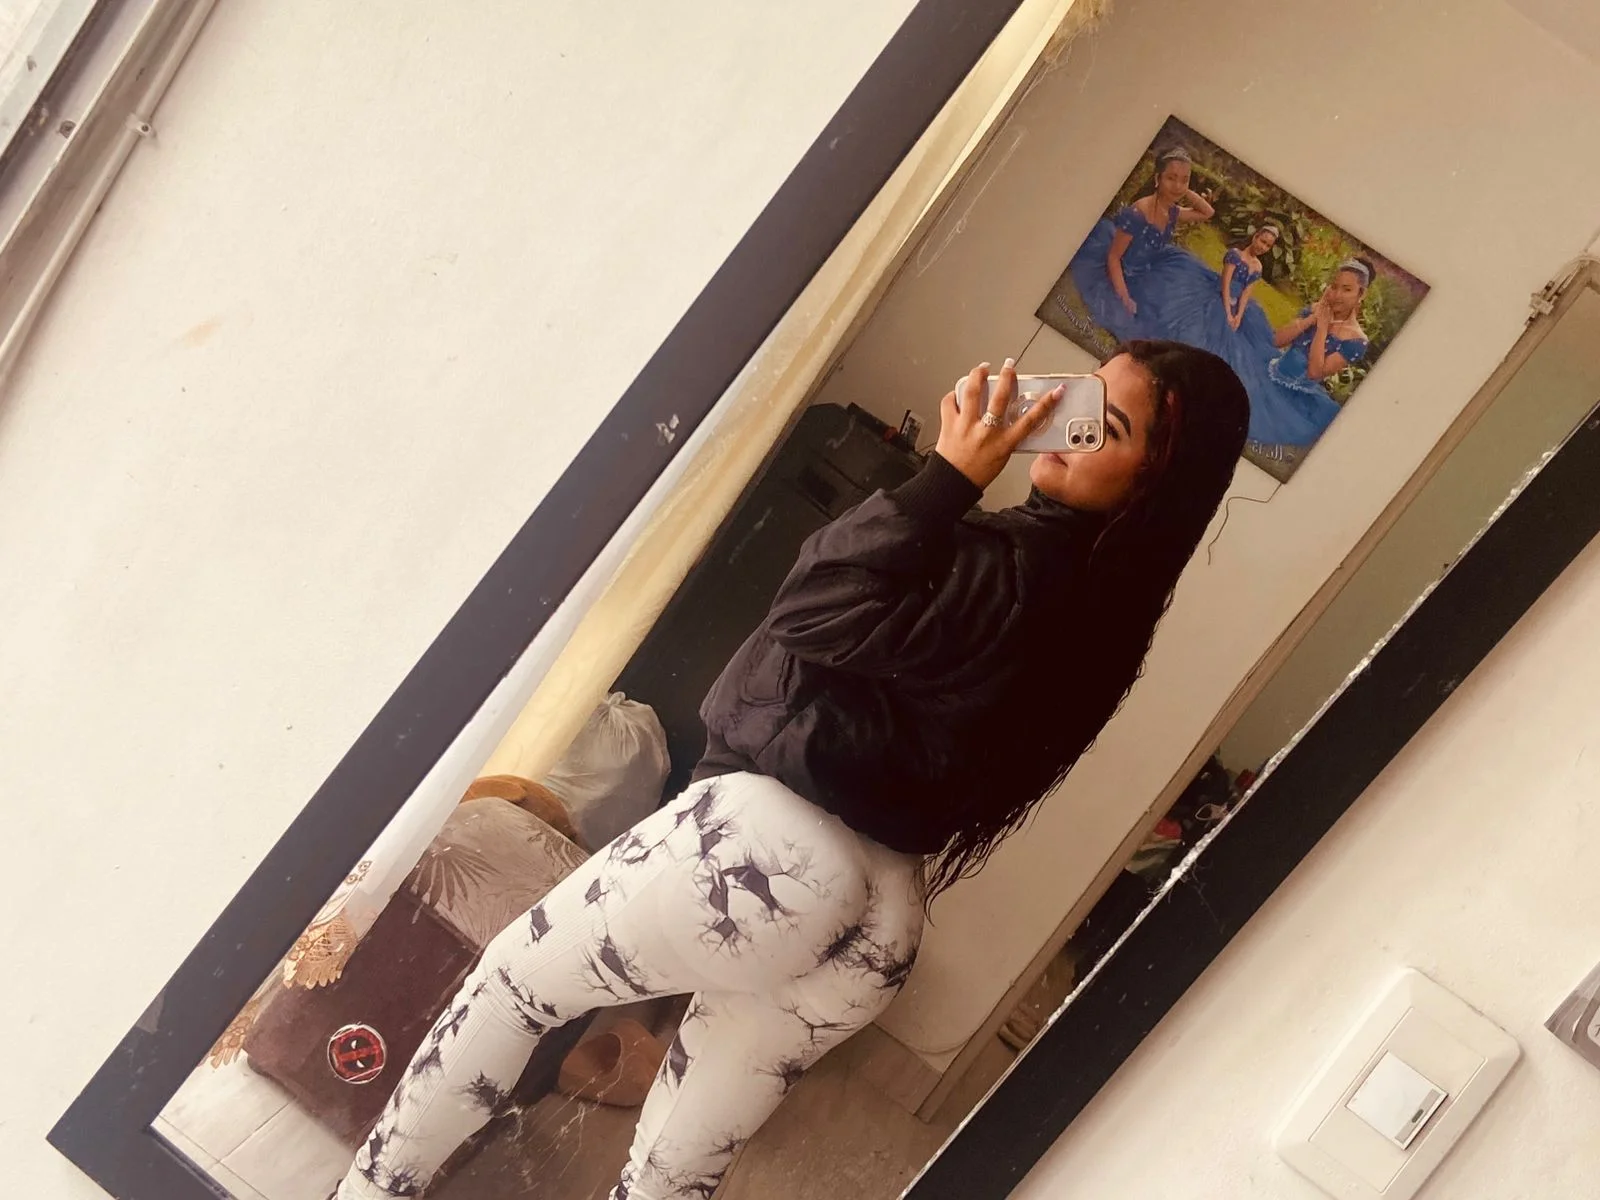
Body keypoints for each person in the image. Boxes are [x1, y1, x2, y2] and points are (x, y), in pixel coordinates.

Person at [336, 342, 1250, 1200]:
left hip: (769, 852)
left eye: (1106, 429)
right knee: (670, 1171)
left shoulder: (1004, 566)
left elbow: (812, 608)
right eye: (1082, 398)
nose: (1066, 426)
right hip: (883, 917)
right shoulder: (1098, 623)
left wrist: (949, 474)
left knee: (510, 989)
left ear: (1149, 484)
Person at [1063, 146, 1215, 342]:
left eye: (1184, 180)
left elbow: (1207, 213)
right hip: (1123, 269)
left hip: (1149, 267)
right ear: (1157, 178)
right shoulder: (1139, 212)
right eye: (1171, 178)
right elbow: (1113, 257)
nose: (1178, 186)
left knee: (1184, 301)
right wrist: (1124, 297)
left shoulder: (1172, 211)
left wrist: (1184, 190)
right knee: (1142, 320)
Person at [1235, 256, 1372, 462]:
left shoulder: (1356, 340)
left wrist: (1322, 328)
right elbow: (1276, 341)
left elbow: (1315, 372)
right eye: (1334, 287)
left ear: (1361, 293)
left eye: (1346, 289)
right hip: (1272, 370)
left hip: (1296, 396)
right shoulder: (1315, 310)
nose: (1337, 295)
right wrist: (1311, 319)